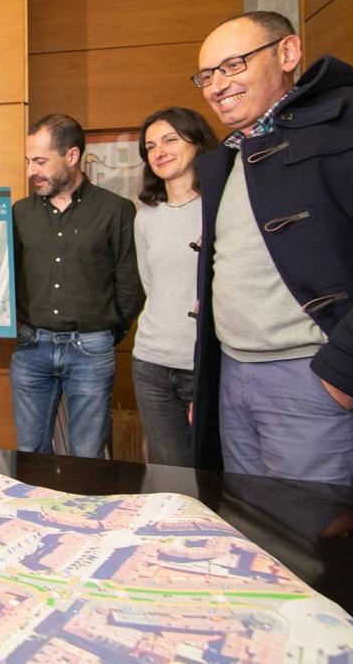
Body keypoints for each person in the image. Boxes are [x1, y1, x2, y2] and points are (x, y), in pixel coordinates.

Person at [191, 10, 353, 494]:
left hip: (314, 378)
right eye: (206, 76)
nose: (216, 86)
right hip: (233, 378)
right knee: (254, 535)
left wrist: (347, 374)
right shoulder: (227, 156)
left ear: (287, 53)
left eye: (233, 65)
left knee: (315, 549)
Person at [10, 113, 144, 457]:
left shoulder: (116, 210)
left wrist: (105, 333)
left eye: (40, 161)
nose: (30, 171)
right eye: (28, 161)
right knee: (29, 450)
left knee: (88, 454)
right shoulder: (20, 213)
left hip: (90, 349)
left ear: (71, 156)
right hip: (31, 347)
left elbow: (130, 285)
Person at [131, 107, 218, 467]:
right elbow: (151, 286)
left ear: (197, 142)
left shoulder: (220, 207)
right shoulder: (146, 216)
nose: (159, 152)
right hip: (151, 363)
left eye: (170, 140)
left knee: (214, 472)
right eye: (150, 146)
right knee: (169, 475)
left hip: (204, 364)